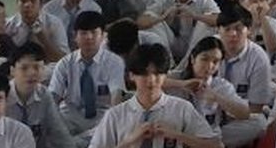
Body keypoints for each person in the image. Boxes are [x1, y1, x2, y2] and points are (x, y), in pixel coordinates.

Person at [85, 44, 220, 148]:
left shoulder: (182, 108)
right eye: (144, 74)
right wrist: (128, 141)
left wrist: (177, 135)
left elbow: (216, 145)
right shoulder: (116, 115)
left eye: (157, 74)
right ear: (131, 75)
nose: (151, 80)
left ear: (166, 75)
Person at [49, 11, 124, 142]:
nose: (89, 37)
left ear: (103, 36)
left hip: (101, 117)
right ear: (75, 36)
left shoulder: (114, 62)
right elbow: (52, 98)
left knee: (108, 132)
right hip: (70, 116)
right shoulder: (64, 64)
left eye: (94, 32)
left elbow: (116, 97)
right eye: (83, 33)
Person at [5, 43, 71, 148]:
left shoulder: (44, 95)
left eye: (37, 67)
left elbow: (59, 134)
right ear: (12, 71)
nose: (31, 73)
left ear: (44, 69)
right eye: (24, 68)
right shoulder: (2, 97)